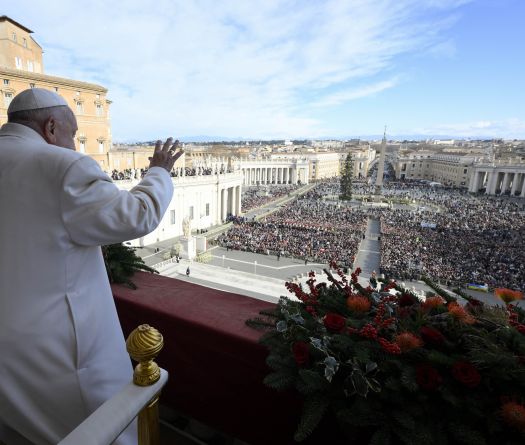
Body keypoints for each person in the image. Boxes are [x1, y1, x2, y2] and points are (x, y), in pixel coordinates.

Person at [0, 88, 183, 445]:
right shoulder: (61, 166)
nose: (74, 146)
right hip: (62, 354)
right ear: (51, 127)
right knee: (105, 429)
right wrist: (158, 172)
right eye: (72, 136)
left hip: (8, 347)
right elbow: (138, 215)